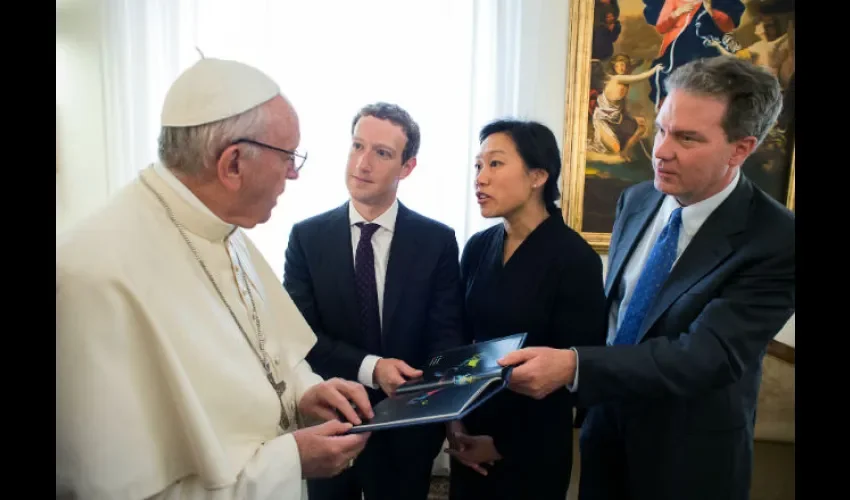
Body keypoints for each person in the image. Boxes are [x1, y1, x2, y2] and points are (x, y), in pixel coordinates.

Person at [56, 57, 375, 500]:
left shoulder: (224, 227)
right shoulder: (89, 273)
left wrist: (305, 392)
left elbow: (267, 351)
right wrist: (290, 463)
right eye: (288, 157)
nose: (295, 173)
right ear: (232, 165)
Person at [498, 56, 795, 500]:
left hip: (689, 460)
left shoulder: (777, 238)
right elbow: (616, 315)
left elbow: (704, 356)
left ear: (740, 149)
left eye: (687, 138)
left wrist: (575, 366)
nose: (660, 150)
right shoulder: (635, 200)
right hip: (605, 439)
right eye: (660, 128)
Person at [282, 102, 466, 500]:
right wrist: (372, 367)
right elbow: (299, 335)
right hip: (331, 423)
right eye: (357, 146)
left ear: (407, 167)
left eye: (381, 153)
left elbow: (446, 338)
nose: (362, 163)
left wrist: (439, 411)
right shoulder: (306, 238)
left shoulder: (436, 241)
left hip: (408, 431)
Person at [445, 119, 608, 500]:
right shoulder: (478, 247)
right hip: (470, 432)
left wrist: (501, 445)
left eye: (495, 164)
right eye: (478, 165)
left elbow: (572, 376)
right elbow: (461, 345)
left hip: (531, 448)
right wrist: (455, 423)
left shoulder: (575, 259)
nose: (480, 178)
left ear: (537, 176)